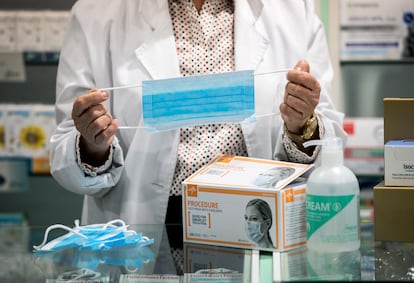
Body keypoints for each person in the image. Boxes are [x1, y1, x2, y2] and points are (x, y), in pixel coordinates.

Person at [50, 0, 347, 228]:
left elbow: (329, 137)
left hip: (256, 225)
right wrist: (92, 146)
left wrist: (302, 127)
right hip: (142, 231)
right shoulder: (96, 13)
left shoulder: (294, 10)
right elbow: (65, 147)